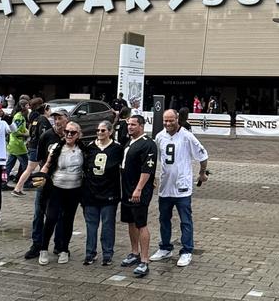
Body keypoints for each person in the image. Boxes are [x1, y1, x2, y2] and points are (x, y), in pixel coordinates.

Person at [150, 109, 209, 268]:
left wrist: (202, 173)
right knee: (164, 219)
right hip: (165, 186)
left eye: (171, 121)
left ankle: (187, 250)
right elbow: (155, 158)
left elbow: (203, 156)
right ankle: (165, 248)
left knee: (185, 220)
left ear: (177, 119)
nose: (168, 124)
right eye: (165, 121)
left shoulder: (187, 136)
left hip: (182, 186)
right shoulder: (159, 136)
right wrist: (152, 177)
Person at [34, 121, 85, 264]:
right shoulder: (57, 147)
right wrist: (40, 177)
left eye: (73, 132)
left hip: (74, 189)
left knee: (68, 221)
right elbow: (47, 165)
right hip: (56, 188)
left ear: (78, 135)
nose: (69, 134)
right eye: (67, 131)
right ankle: (43, 249)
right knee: (51, 218)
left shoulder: (83, 149)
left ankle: (64, 249)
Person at [118, 115, 158, 277]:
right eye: (128, 124)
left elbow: (147, 169)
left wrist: (139, 189)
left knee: (141, 223)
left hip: (138, 192)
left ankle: (144, 260)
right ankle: (134, 253)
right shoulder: (130, 142)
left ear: (141, 126)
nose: (130, 127)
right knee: (131, 222)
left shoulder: (148, 144)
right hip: (126, 190)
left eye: (133, 125)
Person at [82, 119, 124, 266]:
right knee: (91, 225)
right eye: (98, 130)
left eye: (103, 130)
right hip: (91, 192)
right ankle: (90, 253)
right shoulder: (90, 147)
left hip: (109, 193)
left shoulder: (117, 148)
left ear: (110, 132)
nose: (100, 133)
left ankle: (107, 254)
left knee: (107, 225)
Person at [4, 100, 30, 188]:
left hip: (13, 144)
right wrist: (26, 134)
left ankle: (3, 182)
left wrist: (26, 130)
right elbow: (15, 131)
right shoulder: (19, 117)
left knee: (9, 165)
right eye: (27, 105)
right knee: (26, 165)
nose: (28, 107)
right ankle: (26, 182)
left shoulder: (19, 116)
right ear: (23, 107)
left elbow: (21, 128)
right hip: (18, 144)